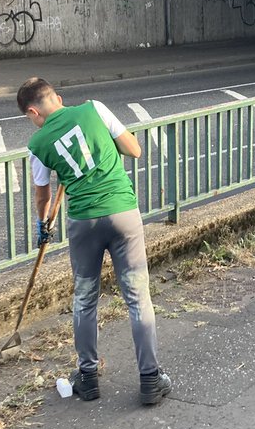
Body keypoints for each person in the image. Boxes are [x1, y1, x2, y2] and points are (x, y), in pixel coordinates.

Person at [16, 77, 171, 407]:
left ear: (32, 112)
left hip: (84, 223)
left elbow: (43, 197)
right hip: (122, 213)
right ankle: (150, 379)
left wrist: (43, 225)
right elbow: (134, 150)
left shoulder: (38, 145)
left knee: (85, 299)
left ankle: (87, 377)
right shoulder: (94, 109)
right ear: (58, 98)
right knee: (137, 297)